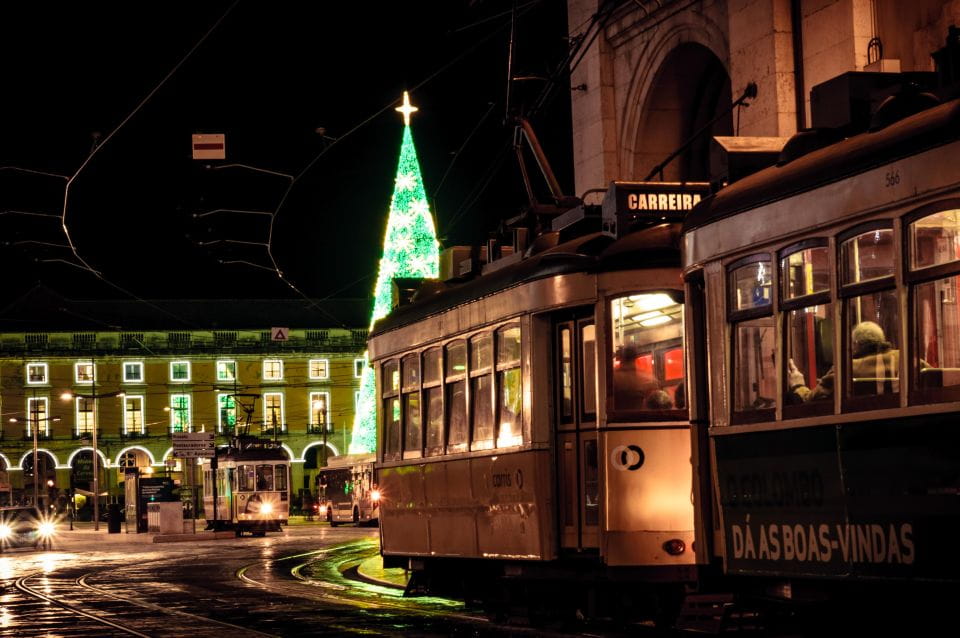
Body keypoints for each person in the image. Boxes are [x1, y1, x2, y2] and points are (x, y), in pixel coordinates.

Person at [788, 320, 898, 402]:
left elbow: (810, 401)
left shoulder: (845, 369)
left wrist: (798, 385)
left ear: (856, 344)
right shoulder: (901, 359)